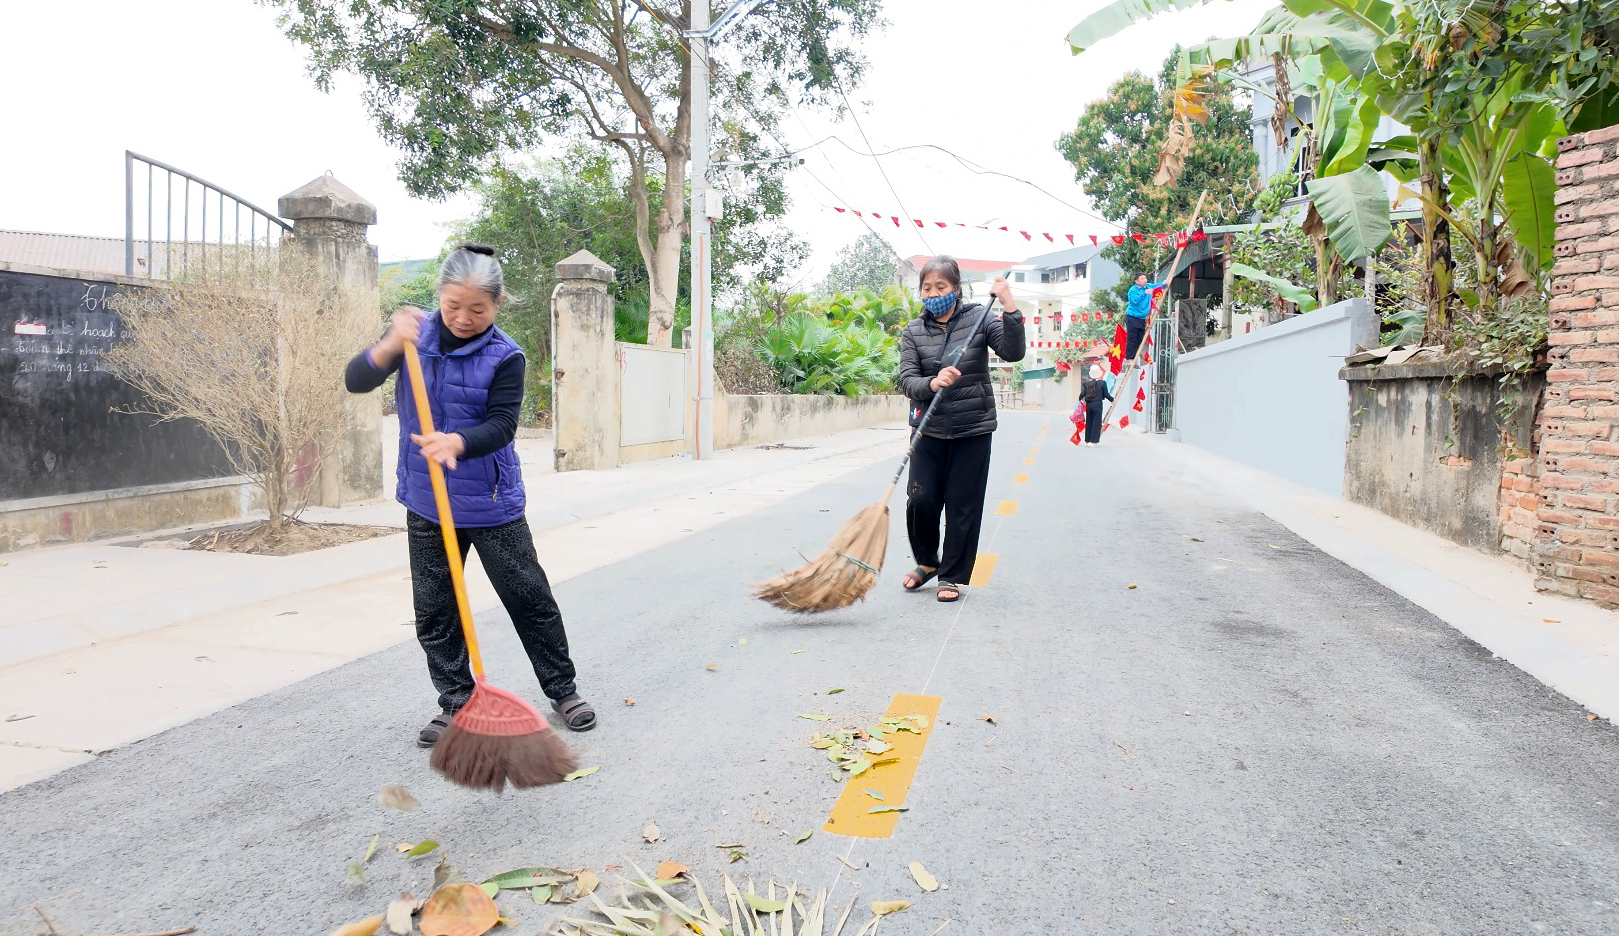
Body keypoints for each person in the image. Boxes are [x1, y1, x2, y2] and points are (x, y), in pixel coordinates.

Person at [344, 243, 595, 748]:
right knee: (436, 609)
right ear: (439, 296)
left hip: (490, 502)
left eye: (477, 309)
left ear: (498, 304)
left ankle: (562, 690)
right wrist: (390, 344)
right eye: (453, 306)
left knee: (528, 598)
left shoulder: (506, 356)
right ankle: (456, 701)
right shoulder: (414, 338)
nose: (463, 318)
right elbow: (357, 380)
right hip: (427, 502)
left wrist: (458, 441)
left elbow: (503, 425)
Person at [897, 256, 1026, 603]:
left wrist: (1010, 305)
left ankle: (950, 574)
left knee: (962, 504)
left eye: (941, 286)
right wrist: (933, 382)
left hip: (973, 428)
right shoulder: (913, 331)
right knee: (920, 499)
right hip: (928, 427)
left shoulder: (979, 318)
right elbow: (906, 380)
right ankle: (927, 562)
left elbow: (1013, 351)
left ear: (956, 288)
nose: (933, 293)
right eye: (927, 287)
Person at [1124, 272, 1167, 361]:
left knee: (1140, 338)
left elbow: (1158, 286)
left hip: (1141, 318)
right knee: (1132, 338)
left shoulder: (1148, 286)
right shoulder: (1133, 290)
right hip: (1132, 316)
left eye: (1145, 278)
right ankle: (1129, 358)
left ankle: (1135, 354)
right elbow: (1134, 301)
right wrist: (1145, 293)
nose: (1145, 280)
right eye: (1142, 279)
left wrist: (1164, 283)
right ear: (1136, 281)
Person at [1077, 364, 1113, 445]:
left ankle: (1087, 440)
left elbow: (1083, 393)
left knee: (1089, 421)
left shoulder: (1086, 383)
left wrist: (1079, 400)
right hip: (1098, 404)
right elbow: (1106, 395)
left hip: (1089, 405)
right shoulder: (1102, 383)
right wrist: (1112, 400)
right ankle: (1094, 441)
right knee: (1096, 422)